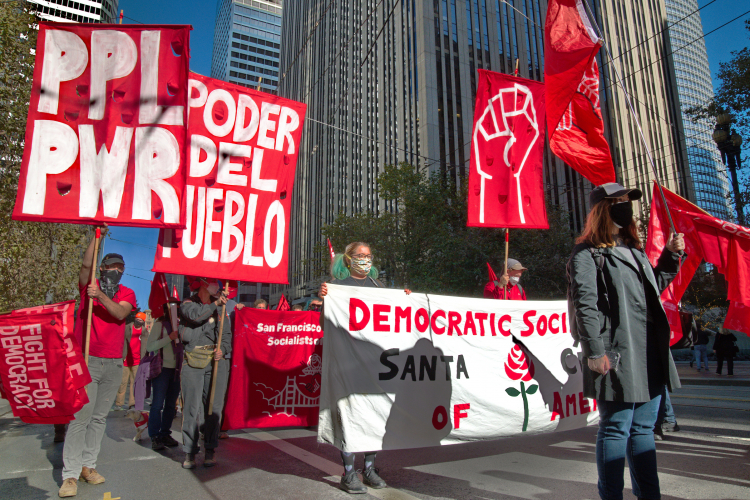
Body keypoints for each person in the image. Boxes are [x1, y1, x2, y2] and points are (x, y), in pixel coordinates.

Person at [568, 183, 684, 500]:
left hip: (648, 351)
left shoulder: (634, 250)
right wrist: (594, 352)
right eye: (617, 201)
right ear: (602, 209)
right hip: (616, 352)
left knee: (643, 429)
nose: (625, 206)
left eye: (626, 201)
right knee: (616, 427)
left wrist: (671, 256)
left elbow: (651, 289)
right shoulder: (587, 253)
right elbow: (585, 304)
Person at [319, 241, 411, 494]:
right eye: (360, 255)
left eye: (369, 255)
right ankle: (349, 473)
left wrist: (406, 299)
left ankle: (369, 469)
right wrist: (326, 299)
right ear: (349, 259)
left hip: (375, 365)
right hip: (347, 365)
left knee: (374, 416)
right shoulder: (337, 288)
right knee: (349, 417)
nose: (365, 259)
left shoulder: (378, 287)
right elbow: (325, 324)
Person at [59, 231, 136, 498]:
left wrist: (101, 297)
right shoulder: (89, 285)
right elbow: (85, 266)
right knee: (80, 418)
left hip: (113, 363)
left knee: (99, 418)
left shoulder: (126, 293)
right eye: (112, 266)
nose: (117, 271)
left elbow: (120, 313)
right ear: (102, 268)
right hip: (87, 360)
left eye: (121, 268)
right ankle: (70, 475)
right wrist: (97, 235)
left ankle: (88, 466)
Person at [179, 277, 232, 469]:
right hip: (193, 360)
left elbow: (227, 337)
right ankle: (190, 451)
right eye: (213, 282)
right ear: (202, 284)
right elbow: (196, 317)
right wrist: (215, 304)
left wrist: (222, 350)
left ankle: (210, 449)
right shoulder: (187, 303)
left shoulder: (222, 310)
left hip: (216, 362)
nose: (217, 286)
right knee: (191, 408)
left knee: (213, 408)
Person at [146, 301, 183, 451]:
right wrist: (169, 337)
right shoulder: (159, 325)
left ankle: (165, 433)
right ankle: (154, 435)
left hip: (177, 370)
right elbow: (150, 346)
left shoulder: (181, 325)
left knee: (171, 405)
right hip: (162, 370)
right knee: (157, 404)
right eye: (174, 308)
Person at [114, 312, 148, 410]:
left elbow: (145, 346)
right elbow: (120, 341)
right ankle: (119, 403)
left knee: (134, 384)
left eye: (141, 320)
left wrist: (143, 358)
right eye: (137, 319)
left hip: (137, 361)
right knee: (122, 382)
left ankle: (132, 404)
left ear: (143, 321)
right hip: (125, 360)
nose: (138, 321)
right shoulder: (127, 328)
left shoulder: (145, 331)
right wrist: (121, 355)